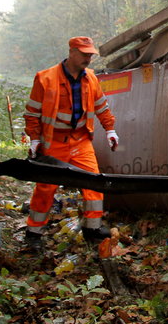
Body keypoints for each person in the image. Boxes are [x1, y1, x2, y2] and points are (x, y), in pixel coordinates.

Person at [22, 36, 120, 250]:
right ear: (72, 52)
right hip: (54, 142)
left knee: (94, 181)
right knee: (46, 187)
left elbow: (102, 107)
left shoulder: (91, 78)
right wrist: (35, 139)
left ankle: (92, 228)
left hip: (81, 140)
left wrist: (110, 129)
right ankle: (34, 232)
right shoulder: (45, 78)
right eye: (85, 54)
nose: (88, 58)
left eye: (90, 55)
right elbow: (32, 113)